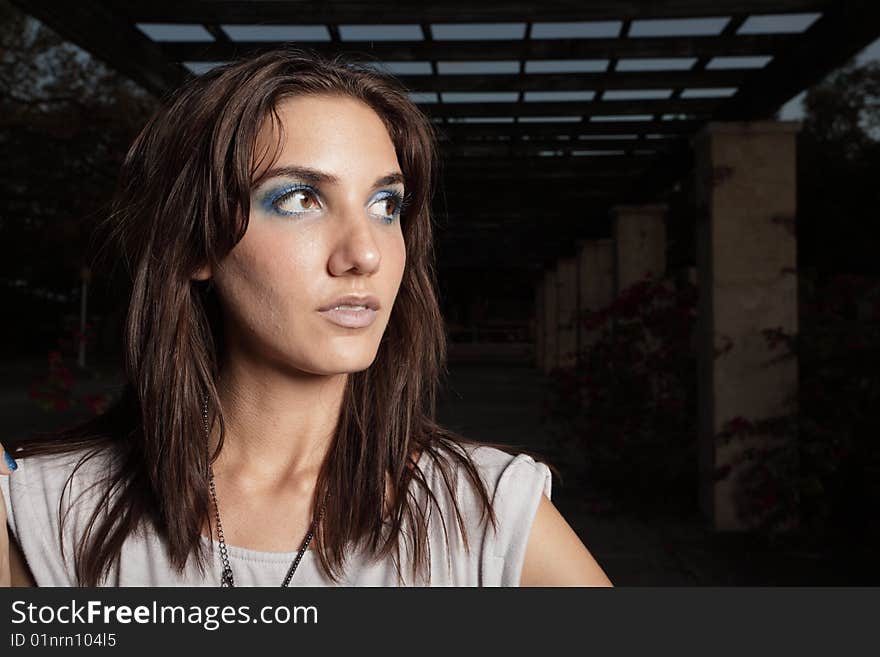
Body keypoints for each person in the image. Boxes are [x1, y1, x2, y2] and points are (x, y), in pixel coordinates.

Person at [0, 46, 612, 588]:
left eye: (385, 203)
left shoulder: (491, 511)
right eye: (299, 199)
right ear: (195, 245)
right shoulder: (38, 511)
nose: (365, 253)